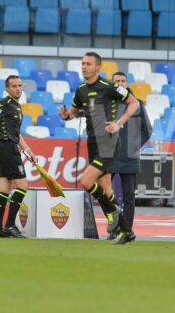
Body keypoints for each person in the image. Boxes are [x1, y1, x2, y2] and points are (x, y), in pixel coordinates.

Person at [58, 52, 141, 245]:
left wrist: (118, 123)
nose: (84, 66)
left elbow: (134, 103)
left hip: (108, 143)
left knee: (86, 181)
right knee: (106, 189)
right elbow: (72, 113)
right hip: (93, 142)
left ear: (97, 67)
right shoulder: (80, 90)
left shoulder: (110, 87)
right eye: (82, 63)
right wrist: (66, 116)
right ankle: (126, 231)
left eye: (88, 63)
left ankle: (113, 214)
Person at [0, 75, 37, 238]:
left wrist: (28, 151)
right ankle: (10, 225)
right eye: (14, 86)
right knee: (22, 186)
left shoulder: (17, 107)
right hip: (6, 148)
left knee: (5, 188)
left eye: (20, 85)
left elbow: (17, 133)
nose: (18, 89)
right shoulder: (4, 104)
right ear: (7, 89)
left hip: (9, 147)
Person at [107, 72, 152, 240]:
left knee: (128, 197)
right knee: (106, 195)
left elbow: (147, 131)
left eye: (122, 81)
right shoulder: (108, 103)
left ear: (127, 83)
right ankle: (113, 229)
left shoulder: (137, 104)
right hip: (110, 156)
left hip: (129, 158)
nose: (120, 83)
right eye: (116, 81)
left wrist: (132, 147)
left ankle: (127, 231)